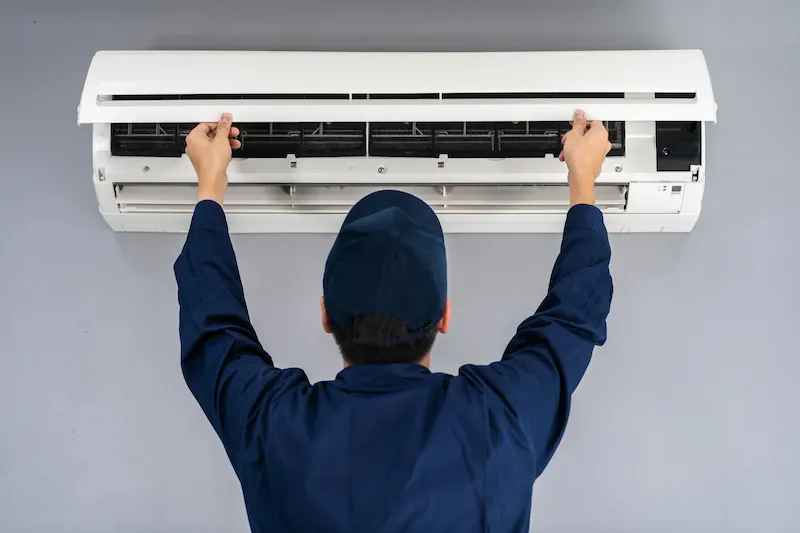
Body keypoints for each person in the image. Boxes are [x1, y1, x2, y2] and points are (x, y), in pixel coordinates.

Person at [174, 110, 613, 533]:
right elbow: (574, 314)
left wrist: (211, 183)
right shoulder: (499, 420)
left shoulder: (274, 429)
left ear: (326, 315)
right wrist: (583, 180)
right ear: (444, 317)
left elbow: (212, 325)